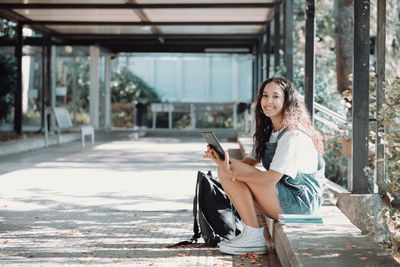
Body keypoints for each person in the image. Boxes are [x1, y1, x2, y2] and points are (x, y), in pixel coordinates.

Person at [203, 77, 326, 255]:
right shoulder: (269, 132)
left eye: (275, 96)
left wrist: (231, 172)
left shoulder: (293, 134)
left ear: (287, 101)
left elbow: (271, 179)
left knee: (228, 173)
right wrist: (221, 160)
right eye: (265, 96)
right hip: (286, 195)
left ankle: (254, 236)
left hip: (300, 202)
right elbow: (246, 165)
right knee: (225, 171)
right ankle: (250, 232)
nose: (268, 101)